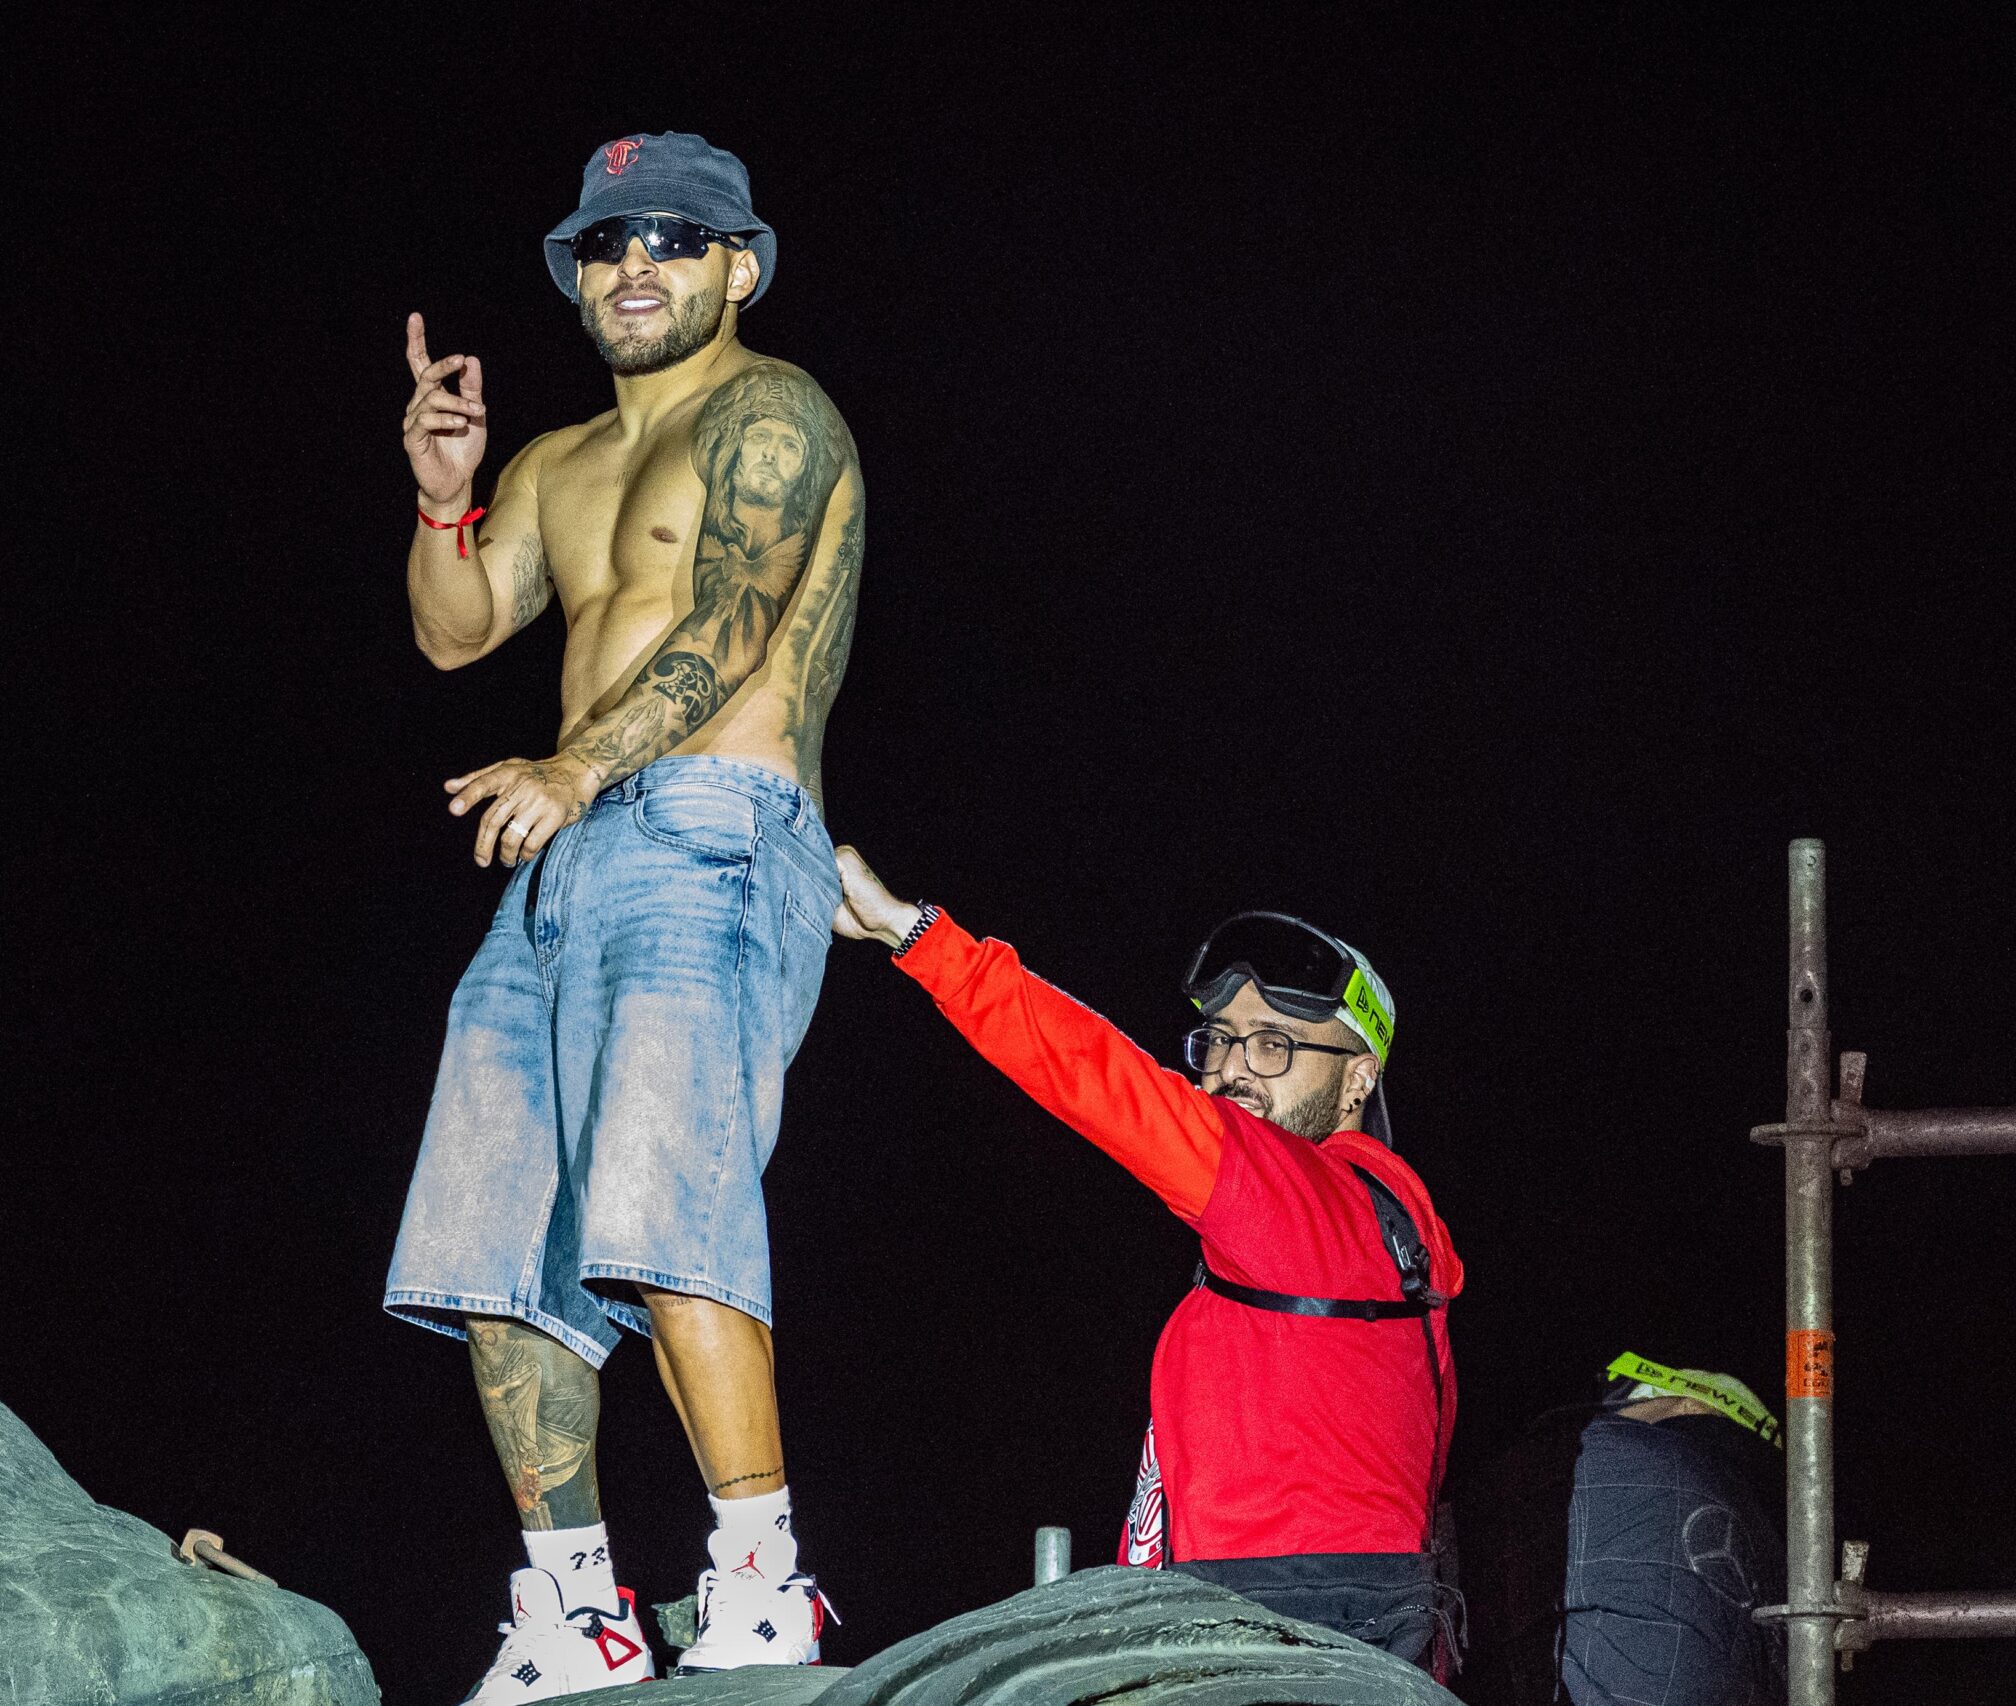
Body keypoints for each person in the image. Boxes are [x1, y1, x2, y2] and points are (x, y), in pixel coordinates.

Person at [382, 132, 861, 1701]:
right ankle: (578, 1606)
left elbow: (738, 617)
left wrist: (580, 764)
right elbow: (459, 634)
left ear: (740, 265)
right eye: (605, 243)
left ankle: (764, 1578)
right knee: (489, 1239)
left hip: (709, 824)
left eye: (672, 236)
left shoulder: (773, 411)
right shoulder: (558, 461)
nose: (635, 264)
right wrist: (446, 499)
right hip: (567, 849)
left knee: (665, 1196)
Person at [830, 850, 1463, 1672]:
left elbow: (1105, 1081)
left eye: (1275, 1044)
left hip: (1275, 1632)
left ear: (1358, 1080)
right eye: (1220, 1040)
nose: (1231, 1068)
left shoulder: (1314, 1213)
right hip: (1286, 1622)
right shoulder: (1375, 1244)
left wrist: (913, 933)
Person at [1462, 1354, 1786, 1706]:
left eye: (1635, 1404)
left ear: (1690, 1405)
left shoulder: (1603, 1452)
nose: (1616, 1416)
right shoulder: (1777, 1541)